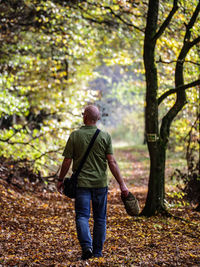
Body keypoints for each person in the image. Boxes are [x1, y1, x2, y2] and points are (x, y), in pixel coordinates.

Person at [57, 105, 129, 260]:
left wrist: (60, 179)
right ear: (97, 119)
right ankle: (97, 252)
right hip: (100, 185)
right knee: (100, 218)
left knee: (82, 216)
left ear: (84, 117)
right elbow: (112, 162)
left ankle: (86, 247)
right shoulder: (105, 136)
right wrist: (122, 184)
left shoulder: (75, 136)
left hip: (82, 184)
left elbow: (67, 161)